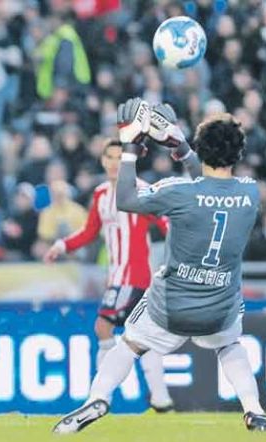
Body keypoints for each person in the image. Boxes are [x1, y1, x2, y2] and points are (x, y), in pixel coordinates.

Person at [53, 99, 266, 433]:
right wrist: (181, 147)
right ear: (238, 153)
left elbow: (125, 199)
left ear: (201, 148)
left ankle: (99, 398)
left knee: (129, 344)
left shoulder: (177, 191)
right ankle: (253, 410)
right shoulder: (250, 193)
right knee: (229, 345)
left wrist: (130, 147)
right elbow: (212, 187)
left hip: (171, 306)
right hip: (220, 306)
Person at [43, 138, 175, 412]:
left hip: (135, 276)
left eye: (120, 157)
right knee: (143, 338)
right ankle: (161, 400)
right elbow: (90, 232)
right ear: (103, 161)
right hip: (116, 277)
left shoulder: (140, 191)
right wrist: (62, 245)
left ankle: (99, 397)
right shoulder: (101, 194)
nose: (115, 163)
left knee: (103, 326)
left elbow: (165, 223)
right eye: (110, 157)